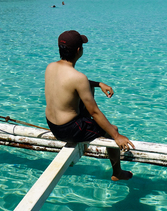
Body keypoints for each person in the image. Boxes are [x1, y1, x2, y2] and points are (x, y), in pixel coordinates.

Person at [45, 30, 135, 181]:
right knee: (112, 129)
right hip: (69, 130)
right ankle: (117, 172)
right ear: (79, 50)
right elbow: (95, 112)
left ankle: (87, 128)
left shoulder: (51, 67)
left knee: (90, 89)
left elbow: (70, 83)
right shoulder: (79, 78)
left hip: (53, 125)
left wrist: (98, 84)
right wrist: (116, 136)